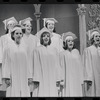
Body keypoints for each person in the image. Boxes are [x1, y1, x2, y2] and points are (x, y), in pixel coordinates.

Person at [2, 25, 31, 97]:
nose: (19, 35)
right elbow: (5, 62)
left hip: (24, 75)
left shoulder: (25, 47)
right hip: (12, 75)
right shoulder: (8, 47)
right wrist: (7, 77)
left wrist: (29, 76)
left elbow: (28, 62)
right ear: (13, 35)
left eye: (20, 33)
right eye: (17, 33)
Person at [33, 28, 62, 97]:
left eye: (48, 36)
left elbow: (57, 64)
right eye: (44, 36)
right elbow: (35, 65)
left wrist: (58, 78)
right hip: (41, 77)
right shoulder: (37, 50)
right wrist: (36, 78)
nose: (46, 38)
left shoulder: (54, 50)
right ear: (41, 38)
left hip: (52, 76)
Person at [60, 32, 83, 97]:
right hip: (67, 79)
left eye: (72, 41)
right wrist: (61, 80)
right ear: (65, 43)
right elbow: (60, 67)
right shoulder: (62, 54)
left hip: (76, 79)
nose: (71, 42)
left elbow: (80, 67)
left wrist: (81, 79)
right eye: (69, 41)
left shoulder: (76, 52)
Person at [19, 17, 38, 95]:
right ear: (23, 27)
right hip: (22, 64)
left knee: (32, 89)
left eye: (30, 26)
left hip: (33, 63)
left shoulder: (35, 38)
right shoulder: (20, 38)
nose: (29, 27)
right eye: (27, 26)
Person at [0, 17, 18, 94]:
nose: (11, 26)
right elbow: (1, 48)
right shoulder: (3, 38)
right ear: (7, 27)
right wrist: (1, 60)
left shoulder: (17, 36)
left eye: (13, 24)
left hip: (16, 61)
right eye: (10, 24)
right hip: (6, 61)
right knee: (7, 81)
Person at [83, 28, 100, 96]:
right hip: (93, 76)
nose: (98, 38)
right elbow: (87, 65)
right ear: (92, 38)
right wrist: (89, 77)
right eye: (96, 36)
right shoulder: (88, 50)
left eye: (99, 36)